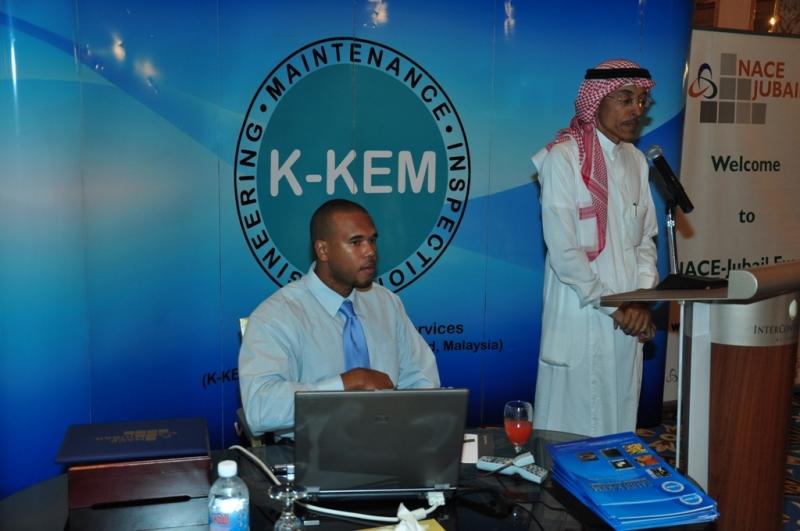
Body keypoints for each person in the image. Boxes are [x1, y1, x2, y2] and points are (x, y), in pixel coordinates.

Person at [531, 59, 659, 437]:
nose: (636, 110)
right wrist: (616, 307)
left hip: (626, 320)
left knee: (619, 426)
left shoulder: (636, 161)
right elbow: (564, 253)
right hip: (580, 312)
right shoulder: (563, 158)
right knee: (572, 435)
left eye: (642, 101)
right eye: (625, 99)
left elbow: (645, 241)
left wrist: (639, 301)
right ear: (596, 101)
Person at [239, 199, 440, 436]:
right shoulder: (276, 316)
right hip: (312, 450)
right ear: (323, 250)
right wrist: (347, 384)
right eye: (356, 242)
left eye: (372, 240)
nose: (370, 251)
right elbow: (260, 408)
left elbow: (422, 379)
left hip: (390, 442)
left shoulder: (386, 303)